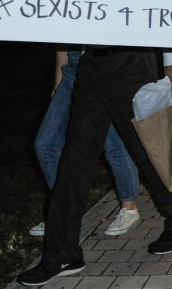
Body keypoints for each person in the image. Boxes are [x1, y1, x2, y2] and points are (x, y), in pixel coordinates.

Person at [16, 0, 172, 287]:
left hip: (131, 61)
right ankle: (62, 254)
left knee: (145, 150)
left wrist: (171, 55)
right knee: (75, 159)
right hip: (92, 63)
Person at [30, 48, 142, 238]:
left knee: (113, 143)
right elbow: (63, 37)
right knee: (46, 144)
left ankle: (129, 207)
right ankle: (65, 213)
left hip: (103, 68)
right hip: (72, 71)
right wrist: (59, 77)